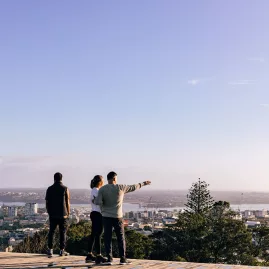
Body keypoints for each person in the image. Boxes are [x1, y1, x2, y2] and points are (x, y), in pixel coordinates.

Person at [95, 171, 151, 265]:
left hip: (106, 217)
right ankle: (122, 258)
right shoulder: (121, 187)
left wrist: (103, 208)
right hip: (117, 216)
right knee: (120, 237)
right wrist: (144, 183)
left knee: (107, 237)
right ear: (114, 178)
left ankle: (109, 258)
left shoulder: (102, 189)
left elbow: (98, 202)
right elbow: (134, 187)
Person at [45, 172, 70, 258]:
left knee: (51, 231)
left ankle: (50, 249)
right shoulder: (65, 188)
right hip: (63, 214)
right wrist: (68, 212)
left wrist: (49, 211)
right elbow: (67, 202)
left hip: (52, 214)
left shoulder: (49, 189)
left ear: (54, 178)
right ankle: (62, 250)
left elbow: (47, 202)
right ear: (61, 178)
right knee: (62, 232)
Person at [85, 175, 108, 264]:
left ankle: (89, 254)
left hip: (94, 213)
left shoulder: (93, 190)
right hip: (98, 214)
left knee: (94, 235)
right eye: (103, 181)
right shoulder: (97, 191)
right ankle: (98, 255)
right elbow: (100, 202)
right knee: (98, 235)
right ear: (100, 182)